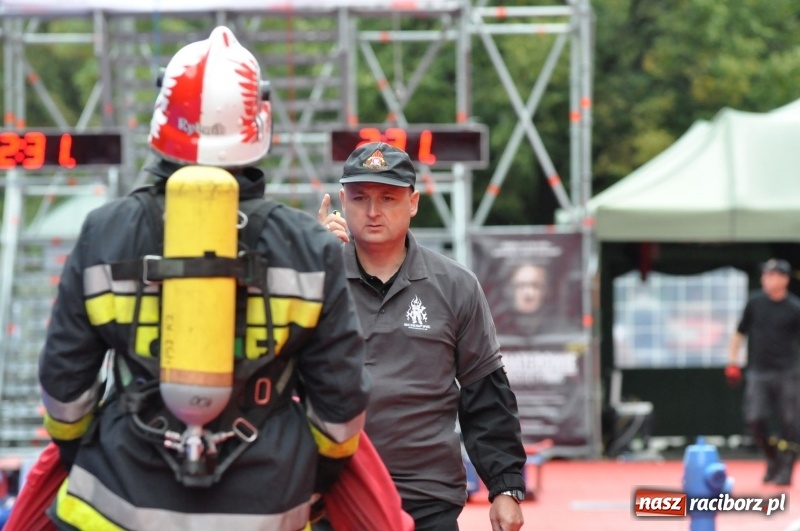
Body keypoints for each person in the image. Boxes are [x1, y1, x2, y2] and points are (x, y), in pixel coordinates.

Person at [36, 26, 371, 530]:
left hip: (115, 504)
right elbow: (341, 412)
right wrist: (304, 477)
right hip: (267, 508)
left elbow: (65, 392)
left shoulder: (104, 233)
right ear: (258, 123)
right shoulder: (310, 248)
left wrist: (88, 450)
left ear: (164, 117)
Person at [319, 142, 526, 531]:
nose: (373, 211)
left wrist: (505, 487)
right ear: (342, 202)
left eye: (388, 198)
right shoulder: (312, 278)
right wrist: (311, 264)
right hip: (331, 492)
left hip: (427, 497)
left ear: (413, 203)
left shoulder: (455, 285)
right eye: (360, 198)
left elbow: (485, 393)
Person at [726, 258, 800, 486]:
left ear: (784, 279)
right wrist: (732, 362)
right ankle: (772, 457)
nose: (766, 279)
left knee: (790, 422)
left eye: (772, 275)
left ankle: (787, 467)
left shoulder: (794, 308)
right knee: (754, 419)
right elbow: (739, 332)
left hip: (787, 372)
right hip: (758, 371)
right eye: (765, 274)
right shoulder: (755, 302)